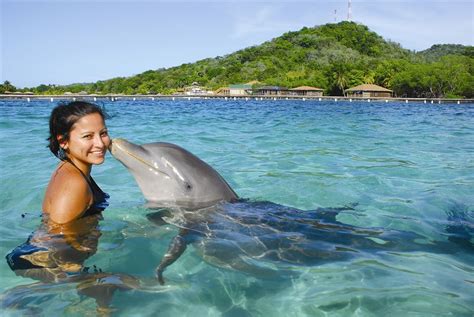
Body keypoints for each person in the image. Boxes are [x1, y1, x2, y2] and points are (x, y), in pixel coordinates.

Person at [43, 101, 111, 224]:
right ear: (63, 141)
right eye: (87, 136)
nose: (100, 144)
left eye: (103, 133)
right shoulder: (74, 184)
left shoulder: (70, 169)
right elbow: (57, 237)